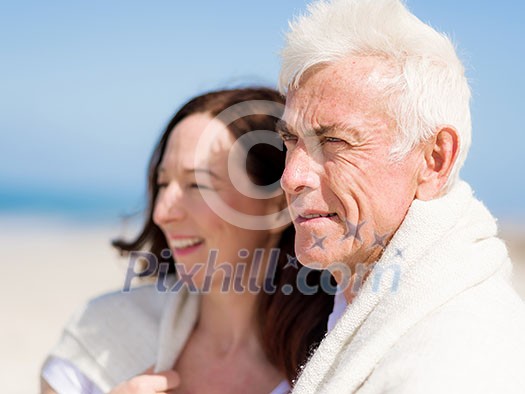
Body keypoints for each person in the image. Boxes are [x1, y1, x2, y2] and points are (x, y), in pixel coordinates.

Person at [276, 0, 525, 393]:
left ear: (435, 159)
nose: (291, 177)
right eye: (290, 140)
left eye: (334, 141)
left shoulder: (458, 363)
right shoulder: (351, 304)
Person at [40, 87, 334, 393]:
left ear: (276, 207)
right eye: (163, 183)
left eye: (197, 185)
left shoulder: (341, 352)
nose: (162, 212)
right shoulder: (99, 335)